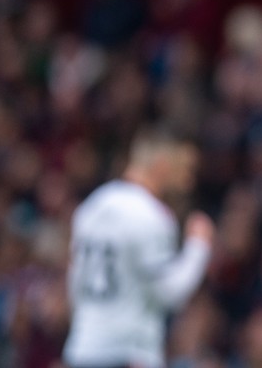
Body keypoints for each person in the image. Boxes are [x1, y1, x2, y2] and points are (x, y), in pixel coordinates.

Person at [63, 127, 215, 368]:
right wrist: (199, 246)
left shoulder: (89, 208)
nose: (189, 180)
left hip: (81, 349)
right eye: (185, 169)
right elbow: (169, 293)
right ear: (163, 165)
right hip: (127, 353)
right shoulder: (151, 216)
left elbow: (74, 285)